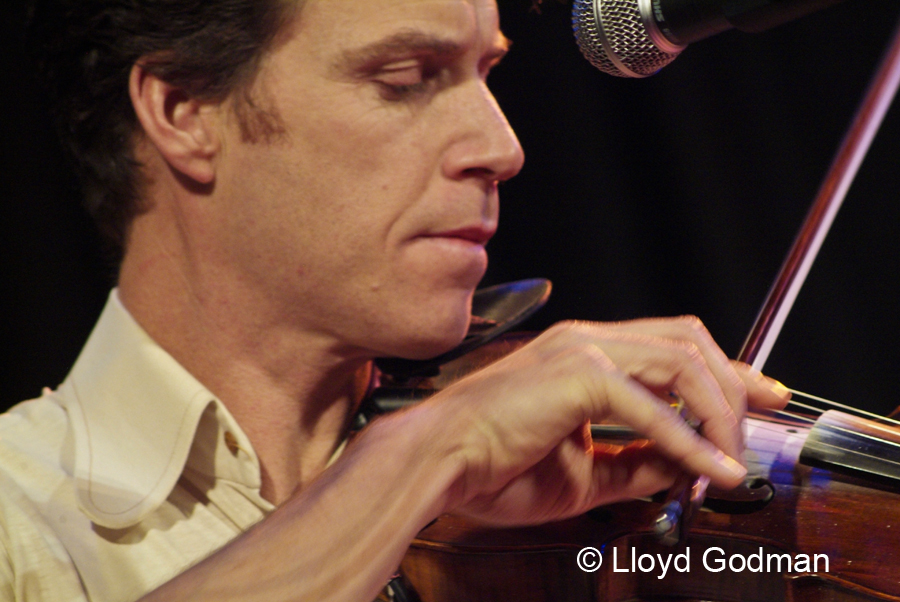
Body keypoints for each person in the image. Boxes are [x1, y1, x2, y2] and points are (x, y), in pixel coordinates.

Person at [1, 0, 790, 600]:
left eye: (486, 75)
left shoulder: (547, 533)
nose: (503, 148)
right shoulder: (19, 518)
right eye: (406, 81)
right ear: (185, 114)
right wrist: (421, 455)